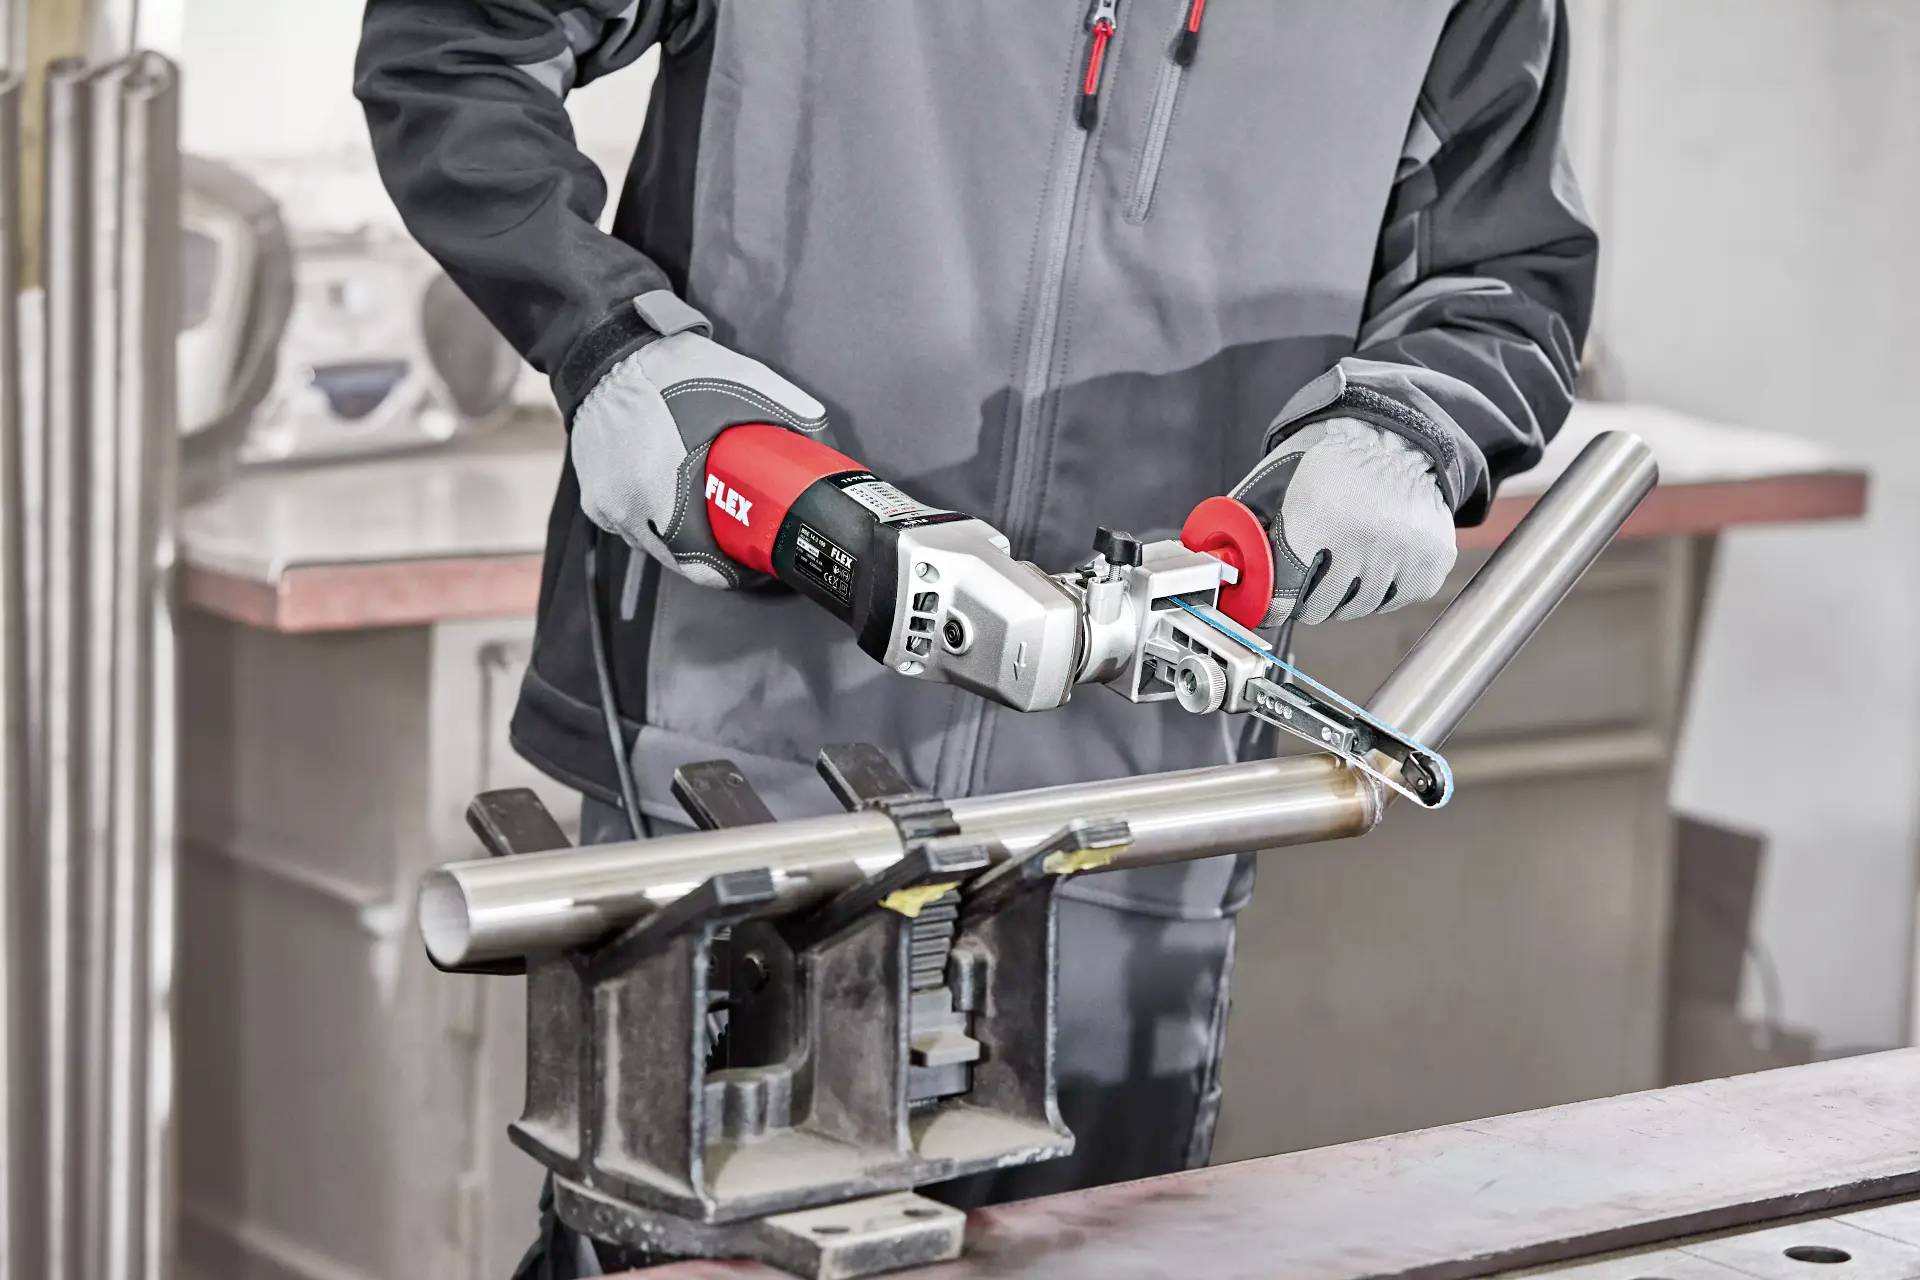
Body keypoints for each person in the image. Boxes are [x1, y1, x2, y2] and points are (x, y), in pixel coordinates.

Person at [356, 1, 1594, 1272]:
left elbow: (1501, 272)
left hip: (1131, 820)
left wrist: (1404, 422)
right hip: (725, 768)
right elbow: (455, 43)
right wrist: (603, 340)